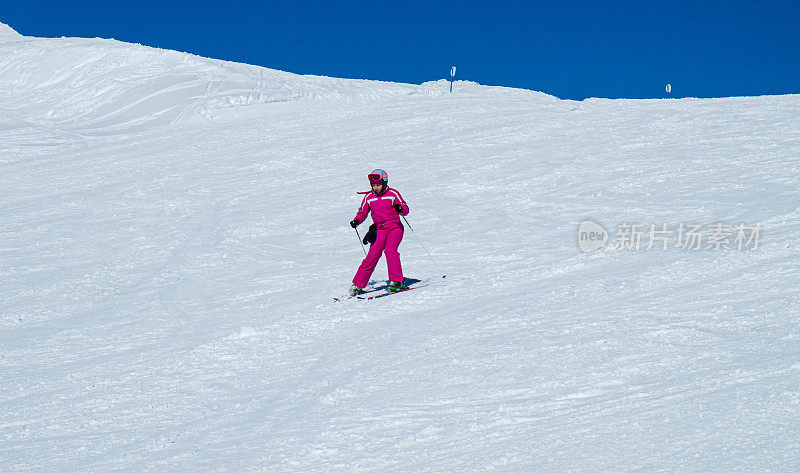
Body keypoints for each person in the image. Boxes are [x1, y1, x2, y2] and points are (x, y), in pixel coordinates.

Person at [349, 169, 410, 295]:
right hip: (380, 230)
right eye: (373, 185)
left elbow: (405, 209)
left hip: (395, 228)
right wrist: (356, 220)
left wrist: (400, 208)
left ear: (385, 183)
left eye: (378, 185)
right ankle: (358, 284)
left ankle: (397, 281)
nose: (376, 188)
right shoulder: (369, 197)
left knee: (390, 251)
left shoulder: (393, 194)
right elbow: (362, 212)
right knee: (372, 256)